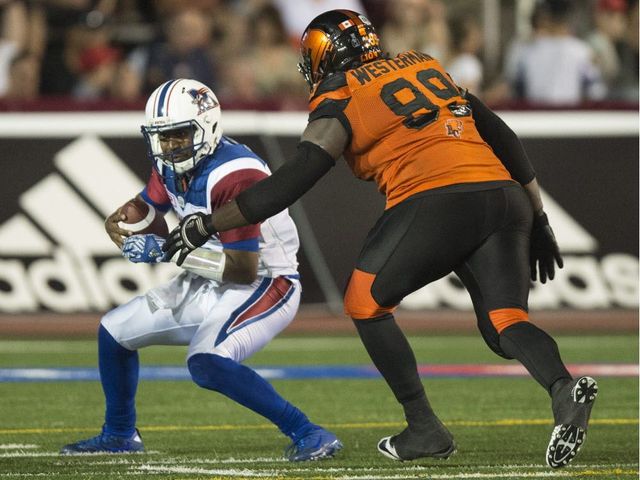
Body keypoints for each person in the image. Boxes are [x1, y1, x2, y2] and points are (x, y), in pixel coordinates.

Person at [162, 11, 600, 469]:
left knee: (364, 301)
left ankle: (425, 427)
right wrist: (540, 216)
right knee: (505, 321)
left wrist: (209, 224)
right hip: (503, 195)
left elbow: (294, 180)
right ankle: (562, 388)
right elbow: (500, 134)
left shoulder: (342, 92)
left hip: (436, 196)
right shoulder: (422, 64)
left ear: (323, 57)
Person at [59, 78, 343, 462]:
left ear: (207, 127)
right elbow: (151, 205)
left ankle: (308, 431)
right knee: (113, 333)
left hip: (266, 281)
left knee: (207, 362)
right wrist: (127, 215)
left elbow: (243, 269)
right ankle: (119, 433)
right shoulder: (173, 162)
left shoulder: (234, 174)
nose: (170, 147)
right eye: (163, 137)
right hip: (210, 274)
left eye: (178, 136)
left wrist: (164, 251)